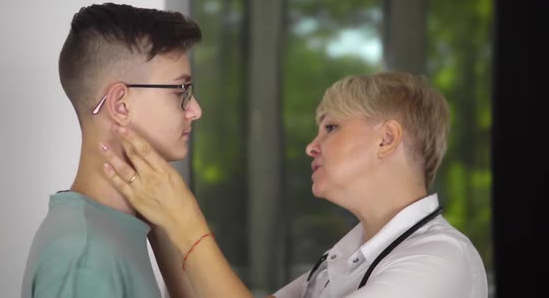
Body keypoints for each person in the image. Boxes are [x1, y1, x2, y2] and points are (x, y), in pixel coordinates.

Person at [100, 71, 489, 297]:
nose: (311, 146)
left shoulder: (439, 263)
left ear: (386, 139)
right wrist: (161, 216)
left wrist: (185, 219)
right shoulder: (343, 259)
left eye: (331, 127)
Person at [21, 2, 204, 298]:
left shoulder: (113, 229)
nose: (195, 110)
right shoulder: (84, 255)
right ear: (120, 105)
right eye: (180, 92)